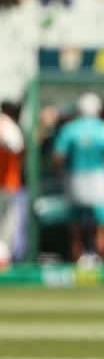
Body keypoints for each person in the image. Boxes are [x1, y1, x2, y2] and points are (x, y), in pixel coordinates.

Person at [52, 93, 104, 266]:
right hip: (99, 176)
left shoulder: (70, 129)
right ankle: (102, 259)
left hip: (75, 176)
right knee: (102, 221)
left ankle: (78, 258)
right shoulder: (103, 128)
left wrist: (61, 173)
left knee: (76, 222)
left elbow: (58, 156)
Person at [0, 100, 23, 268]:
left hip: (7, 182)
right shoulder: (8, 125)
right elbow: (16, 146)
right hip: (7, 183)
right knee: (6, 224)